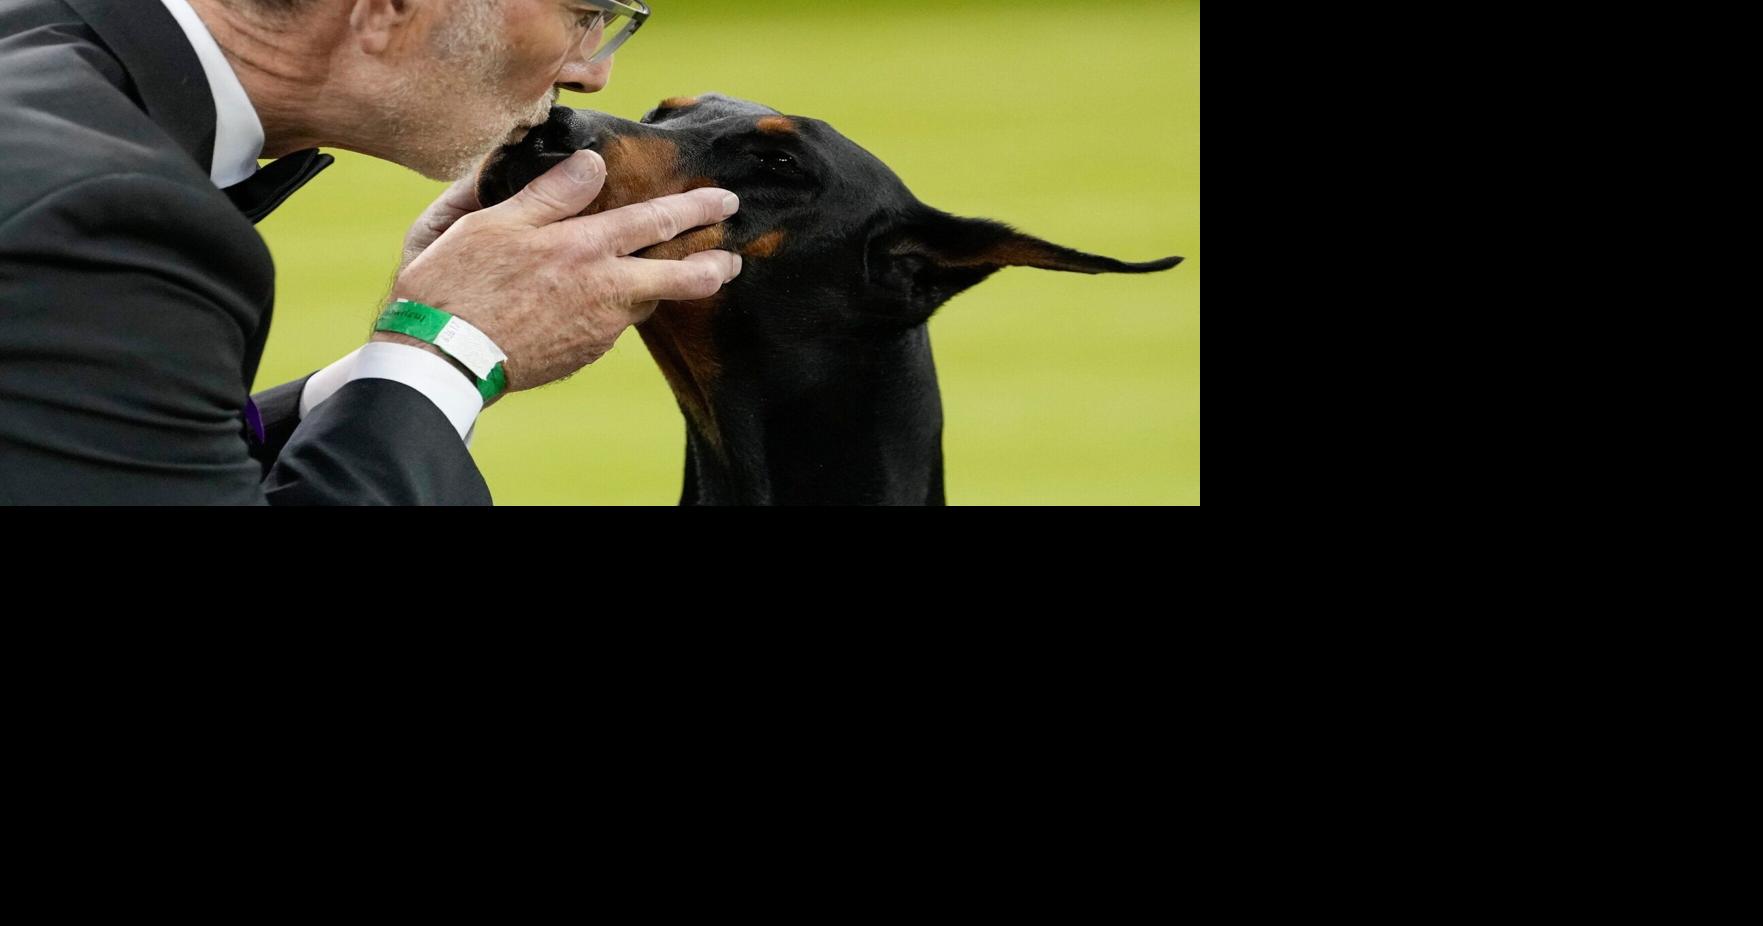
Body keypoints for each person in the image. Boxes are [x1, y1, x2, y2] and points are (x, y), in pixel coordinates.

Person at [0, 0, 740, 504]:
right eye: (581, 13)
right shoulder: (98, 214)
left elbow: (98, 453)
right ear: (389, 10)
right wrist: (450, 349)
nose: (591, 70)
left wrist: (392, 364)